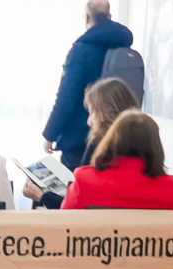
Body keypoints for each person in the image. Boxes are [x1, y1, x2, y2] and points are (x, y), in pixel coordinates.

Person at [45, 0, 137, 168]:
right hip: (119, 138)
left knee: (74, 182)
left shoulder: (81, 50)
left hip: (80, 140)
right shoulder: (125, 50)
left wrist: (50, 134)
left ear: (87, 17)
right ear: (109, 16)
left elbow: (66, 98)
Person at [26, 78, 139, 209]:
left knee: (39, 193)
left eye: (92, 113)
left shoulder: (99, 144)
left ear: (105, 114)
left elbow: (76, 205)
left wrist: (42, 197)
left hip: (87, 217)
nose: (89, 122)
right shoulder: (140, 143)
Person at [62, 111, 173, 210]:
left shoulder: (84, 181)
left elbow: (64, 224)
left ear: (111, 141)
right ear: (156, 147)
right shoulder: (172, 189)